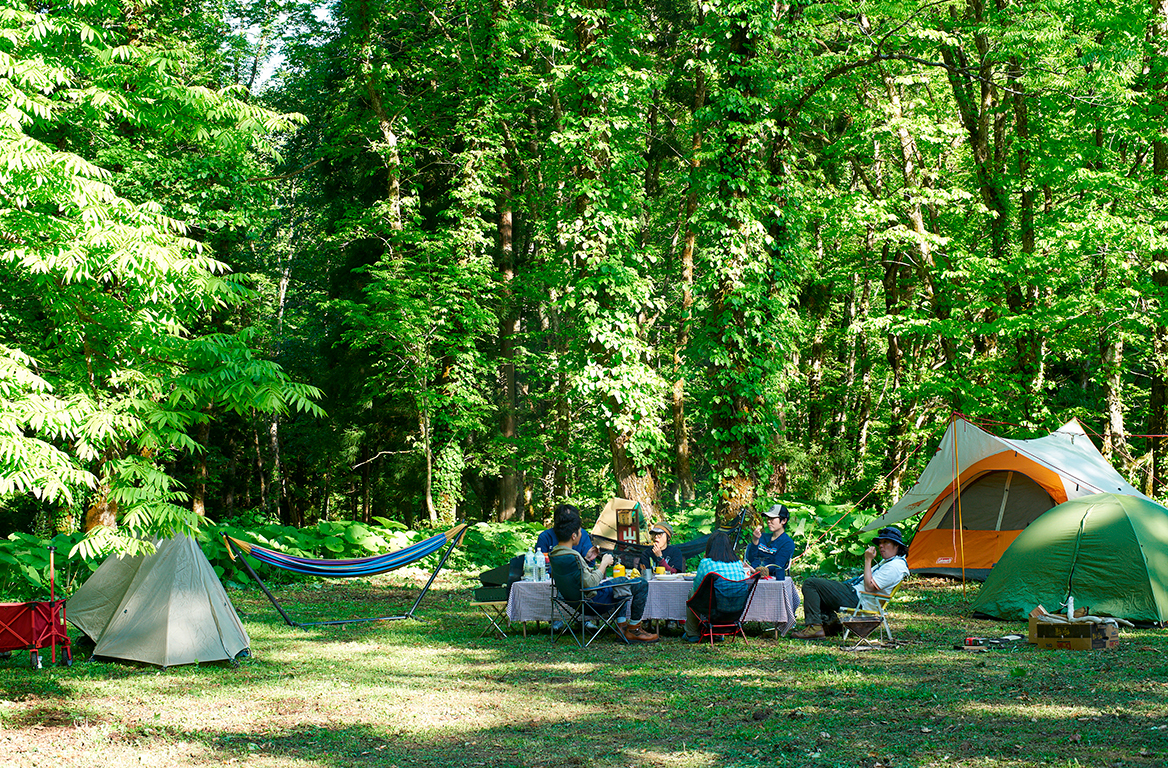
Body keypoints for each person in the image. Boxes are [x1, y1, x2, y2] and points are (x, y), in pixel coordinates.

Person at [550, 514, 659, 643]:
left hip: (573, 602)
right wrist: (604, 564)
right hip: (592, 602)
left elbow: (576, 577)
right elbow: (590, 584)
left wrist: (586, 560)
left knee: (621, 581)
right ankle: (634, 629)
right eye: (580, 532)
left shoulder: (556, 554)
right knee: (641, 583)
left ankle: (621, 627)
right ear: (573, 536)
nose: (581, 534)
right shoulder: (573, 556)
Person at [791, 526, 909, 640]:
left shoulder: (895, 567)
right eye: (880, 543)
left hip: (858, 599)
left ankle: (815, 627)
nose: (881, 546)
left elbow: (869, 587)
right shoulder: (890, 561)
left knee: (811, 584)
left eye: (885, 542)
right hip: (854, 592)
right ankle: (831, 623)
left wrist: (868, 560)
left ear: (897, 545)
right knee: (821, 587)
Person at [683, 531, 750, 642]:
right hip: (737, 609)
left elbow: (697, 587)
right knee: (721, 593)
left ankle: (692, 633)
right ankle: (718, 634)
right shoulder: (738, 563)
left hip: (716, 609)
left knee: (692, 592)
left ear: (710, 547)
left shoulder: (706, 563)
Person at [745, 504, 795, 579]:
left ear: (784, 521)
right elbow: (751, 559)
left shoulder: (787, 543)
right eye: (768, 518)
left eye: (772, 518)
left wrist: (756, 571)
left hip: (770, 578)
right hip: (750, 574)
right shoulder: (763, 537)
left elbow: (777, 566)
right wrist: (755, 541)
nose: (768, 521)